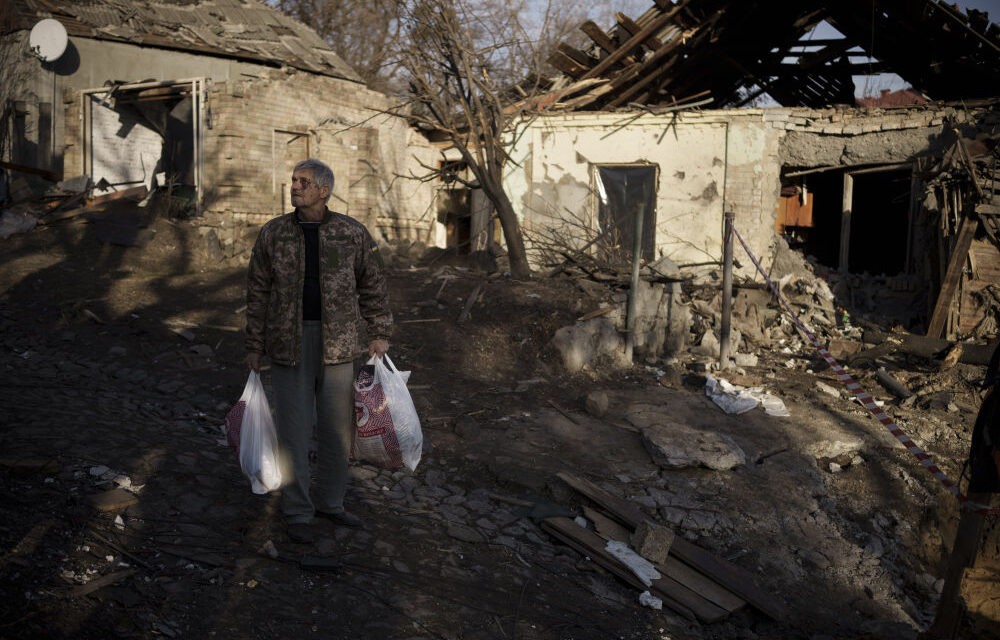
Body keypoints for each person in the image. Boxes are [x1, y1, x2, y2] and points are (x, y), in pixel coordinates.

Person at [244, 158, 392, 544]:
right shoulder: (273, 234)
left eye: (303, 181)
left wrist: (379, 332)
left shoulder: (352, 233)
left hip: (340, 345)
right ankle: (297, 510)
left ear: (323, 190)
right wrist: (253, 345)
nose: (294, 186)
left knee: (336, 432)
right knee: (293, 431)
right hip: (287, 344)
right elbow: (257, 292)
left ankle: (331, 502)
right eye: (293, 180)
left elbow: (373, 285)